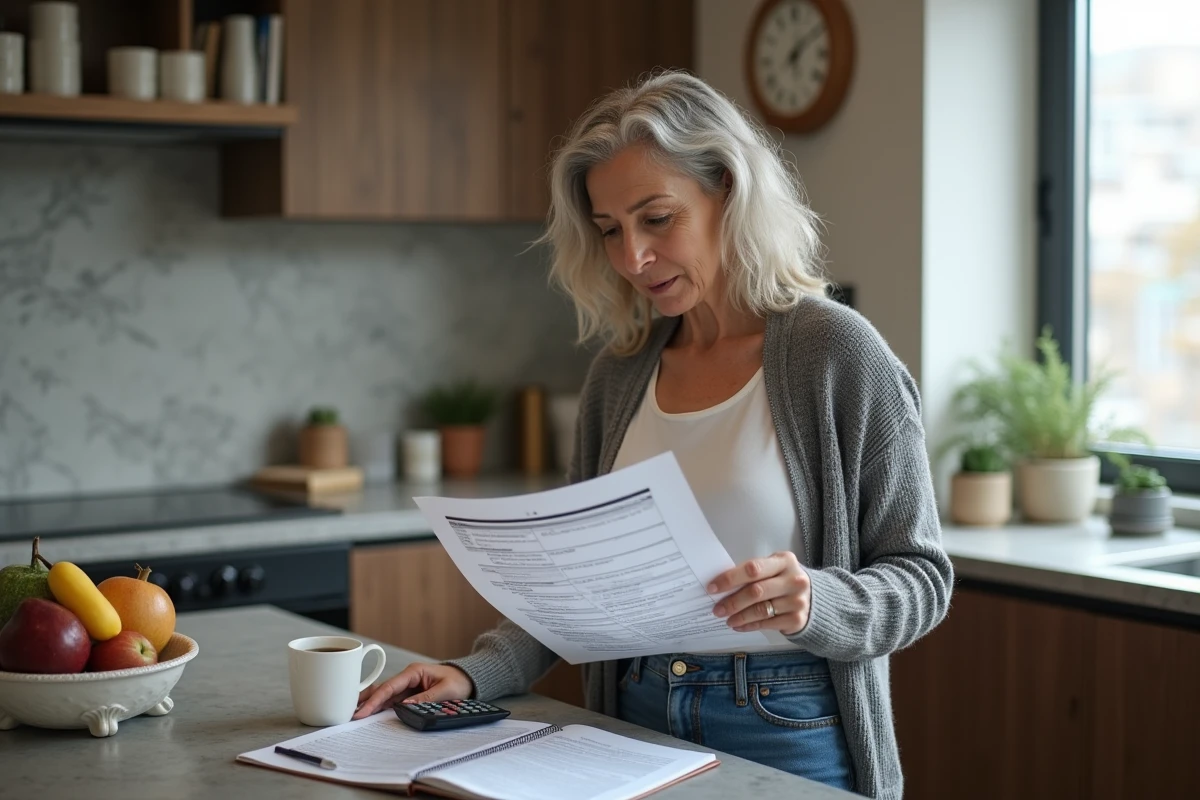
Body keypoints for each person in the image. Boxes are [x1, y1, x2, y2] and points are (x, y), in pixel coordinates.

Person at [355, 71, 952, 799]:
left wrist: (816, 602)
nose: (631, 257)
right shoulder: (620, 374)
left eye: (657, 219)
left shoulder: (836, 355)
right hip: (629, 719)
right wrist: (475, 673)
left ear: (728, 192)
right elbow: (574, 590)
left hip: (785, 722)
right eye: (610, 230)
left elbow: (922, 578)